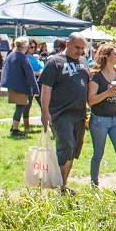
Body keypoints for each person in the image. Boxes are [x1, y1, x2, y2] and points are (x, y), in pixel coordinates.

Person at [39, 33, 90, 194]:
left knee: (74, 149)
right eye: (77, 47)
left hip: (80, 113)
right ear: (67, 44)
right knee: (66, 146)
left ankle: (63, 184)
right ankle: (60, 186)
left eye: (82, 48)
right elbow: (46, 89)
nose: (80, 51)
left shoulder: (83, 62)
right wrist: (44, 112)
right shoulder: (54, 62)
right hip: (61, 113)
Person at [87, 43, 116, 188]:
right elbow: (91, 100)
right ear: (106, 56)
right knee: (98, 153)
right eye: (115, 54)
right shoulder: (96, 76)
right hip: (99, 120)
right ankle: (94, 184)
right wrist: (107, 93)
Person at [1, 37, 39, 136]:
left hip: (12, 85)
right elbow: (30, 74)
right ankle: (15, 129)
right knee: (20, 107)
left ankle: (14, 126)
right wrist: (36, 89)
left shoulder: (11, 55)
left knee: (19, 107)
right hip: (21, 86)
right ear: (25, 46)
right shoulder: (22, 58)